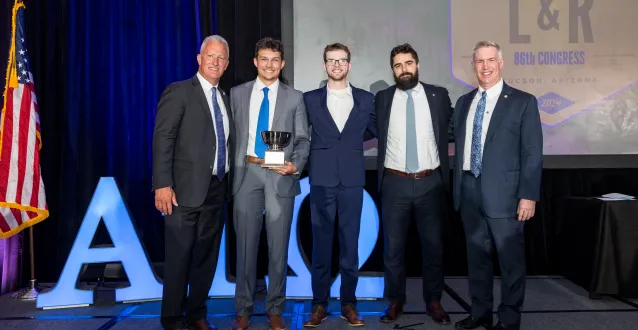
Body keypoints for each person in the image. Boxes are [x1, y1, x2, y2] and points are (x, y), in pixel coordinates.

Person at [451, 41, 542, 330]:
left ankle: (509, 319)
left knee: (510, 263)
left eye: (491, 60)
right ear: (474, 65)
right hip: (468, 191)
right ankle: (480, 313)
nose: (485, 66)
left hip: (506, 196)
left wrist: (528, 195)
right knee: (477, 259)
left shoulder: (522, 101)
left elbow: (531, 152)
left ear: (500, 63)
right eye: (479, 61)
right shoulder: (465, 102)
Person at [152, 35, 233, 330]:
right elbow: (163, 138)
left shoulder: (224, 98)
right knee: (178, 257)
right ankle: (172, 318)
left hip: (215, 190)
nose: (215, 62)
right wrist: (162, 183)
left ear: (226, 65)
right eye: (210, 56)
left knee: (206, 258)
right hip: (181, 192)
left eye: (221, 58)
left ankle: (196, 314)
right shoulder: (179, 92)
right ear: (199, 59)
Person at [230, 37, 310, 330]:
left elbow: (303, 140)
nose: (269, 65)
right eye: (264, 59)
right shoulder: (237, 94)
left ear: (282, 63)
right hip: (246, 173)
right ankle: (243, 310)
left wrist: (296, 165)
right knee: (246, 248)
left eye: (275, 60)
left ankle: (275, 308)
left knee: (278, 248)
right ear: (255, 62)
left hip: (280, 175)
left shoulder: (295, 97)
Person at [374, 43, 452, 325]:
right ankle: (395, 301)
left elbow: (453, 129)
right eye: (397, 65)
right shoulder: (382, 98)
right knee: (393, 248)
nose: (403, 69)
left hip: (430, 182)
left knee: (433, 247)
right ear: (393, 70)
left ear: (417, 65)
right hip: (395, 182)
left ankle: (434, 301)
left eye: (408, 64)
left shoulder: (438, 95)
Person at [302, 43, 376, 328]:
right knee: (321, 246)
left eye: (341, 60)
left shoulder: (366, 100)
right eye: (331, 60)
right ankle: (319, 305)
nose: (336, 65)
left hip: (352, 181)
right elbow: (297, 133)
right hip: (321, 180)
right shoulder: (308, 100)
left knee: (349, 247)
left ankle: (349, 305)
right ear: (324, 65)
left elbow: (379, 132)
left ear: (349, 65)